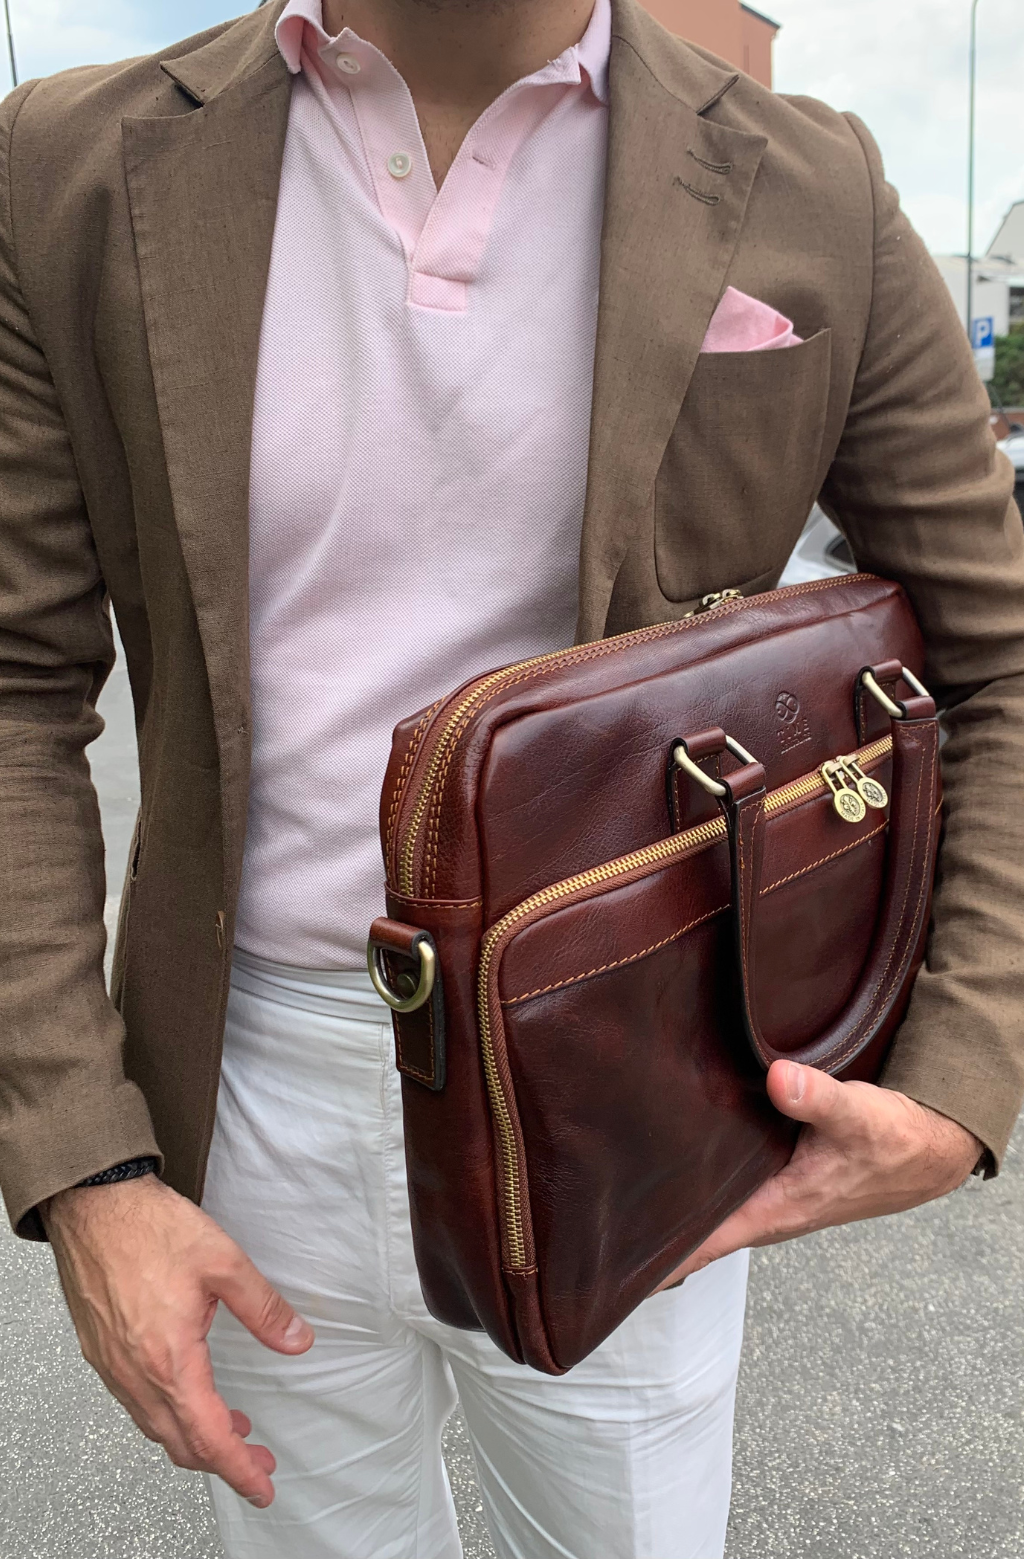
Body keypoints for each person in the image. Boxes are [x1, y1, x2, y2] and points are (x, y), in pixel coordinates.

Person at [0, 0, 1021, 1554]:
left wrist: (964, 1063)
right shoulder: (70, 164)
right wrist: (83, 1157)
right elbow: (14, 689)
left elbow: (996, 658)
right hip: (245, 1080)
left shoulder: (816, 185)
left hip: (632, 1077)